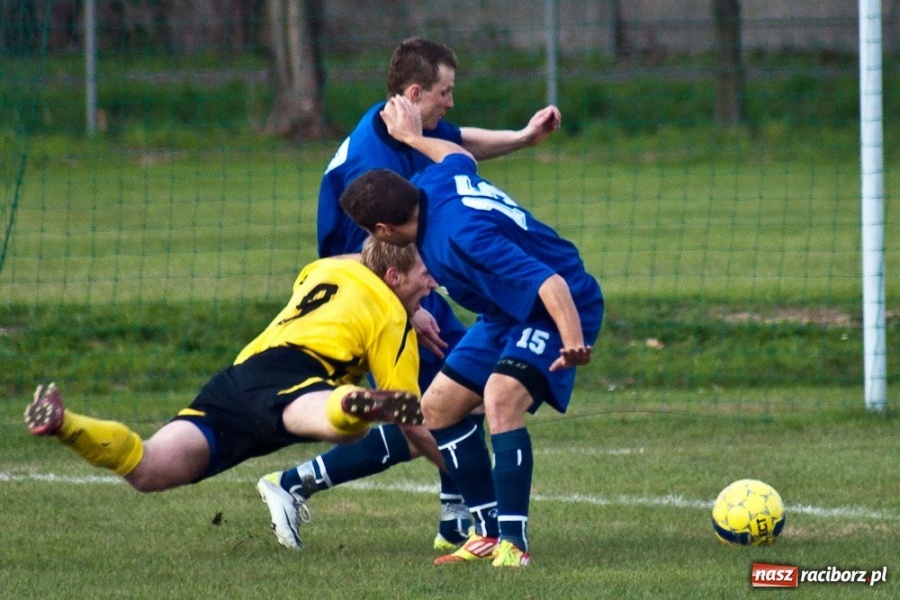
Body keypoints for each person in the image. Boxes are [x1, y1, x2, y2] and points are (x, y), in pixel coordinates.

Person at [290, 36, 563, 551]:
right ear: (416, 92)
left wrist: (523, 138)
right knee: (423, 409)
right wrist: (404, 310)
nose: (451, 101)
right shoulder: (375, 166)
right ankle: (295, 482)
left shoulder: (401, 122)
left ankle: (457, 519)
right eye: (445, 91)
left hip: (410, 277)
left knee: (454, 401)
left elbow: (457, 145)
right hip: (382, 286)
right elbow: (363, 256)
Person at [24, 238, 439, 551]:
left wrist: (398, 282)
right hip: (297, 374)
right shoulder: (390, 319)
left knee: (147, 470)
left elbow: (357, 262)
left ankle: (66, 425)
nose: (433, 283)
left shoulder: (324, 270)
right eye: (425, 274)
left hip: (239, 378)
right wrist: (462, 474)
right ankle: (348, 404)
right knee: (346, 428)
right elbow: (412, 424)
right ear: (394, 277)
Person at [339, 95, 604, 567]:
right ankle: (484, 532)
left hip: (558, 307)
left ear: (382, 229)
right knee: (438, 408)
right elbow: (455, 154)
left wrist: (571, 341)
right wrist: (412, 138)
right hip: (507, 312)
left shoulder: (460, 237)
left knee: (501, 399)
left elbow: (551, 281)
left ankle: (514, 545)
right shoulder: (434, 183)